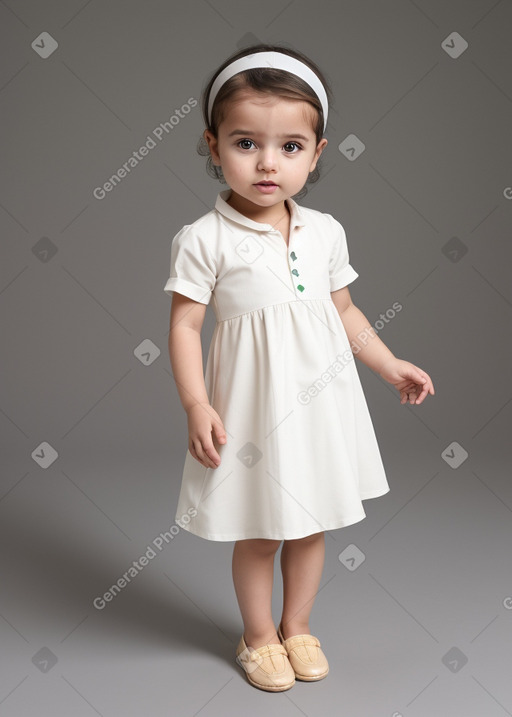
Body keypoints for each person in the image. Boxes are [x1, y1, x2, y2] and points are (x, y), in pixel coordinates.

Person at [164, 43, 435, 693]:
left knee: (310, 523)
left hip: (319, 407)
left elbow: (344, 310)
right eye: (245, 142)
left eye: (289, 147)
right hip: (255, 415)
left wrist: (387, 360)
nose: (266, 162)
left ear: (316, 155)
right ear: (212, 144)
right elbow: (184, 325)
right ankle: (258, 635)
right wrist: (197, 404)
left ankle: (298, 624)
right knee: (261, 530)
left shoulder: (325, 232)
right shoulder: (204, 239)